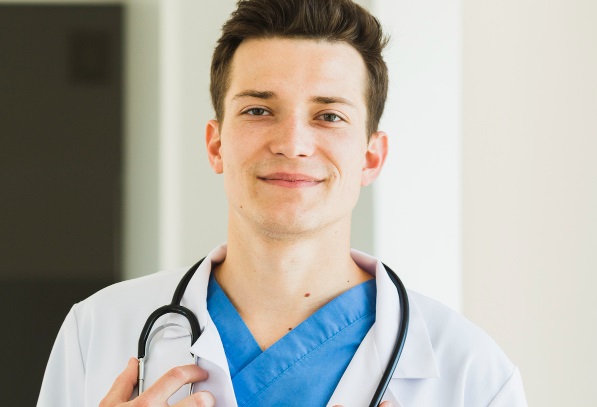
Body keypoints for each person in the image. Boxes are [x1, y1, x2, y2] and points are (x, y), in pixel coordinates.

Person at [37, 0, 527, 406]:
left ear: (371, 157)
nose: (292, 143)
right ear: (215, 146)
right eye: (258, 110)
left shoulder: (471, 374)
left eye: (329, 115)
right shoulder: (97, 332)